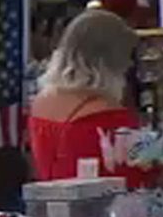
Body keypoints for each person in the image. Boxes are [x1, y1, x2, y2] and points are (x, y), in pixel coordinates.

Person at [27, 10, 149, 188]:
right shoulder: (106, 112)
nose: (129, 65)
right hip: (97, 211)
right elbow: (132, 177)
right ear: (110, 59)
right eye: (127, 57)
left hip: (50, 210)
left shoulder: (40, 102)